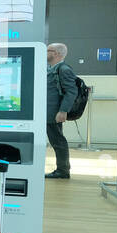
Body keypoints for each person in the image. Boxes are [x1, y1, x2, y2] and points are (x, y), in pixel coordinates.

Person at [46, 42, 79, 179]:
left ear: (56, 53)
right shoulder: (52, 68)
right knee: (56, 140)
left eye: (48, 50)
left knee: (58, 141)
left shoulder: (64, 69)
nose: (46, 52)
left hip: (54, 112)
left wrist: (63, 110)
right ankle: (63, 168)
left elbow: (71, 91)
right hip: (49, 111)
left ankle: (63, 170)